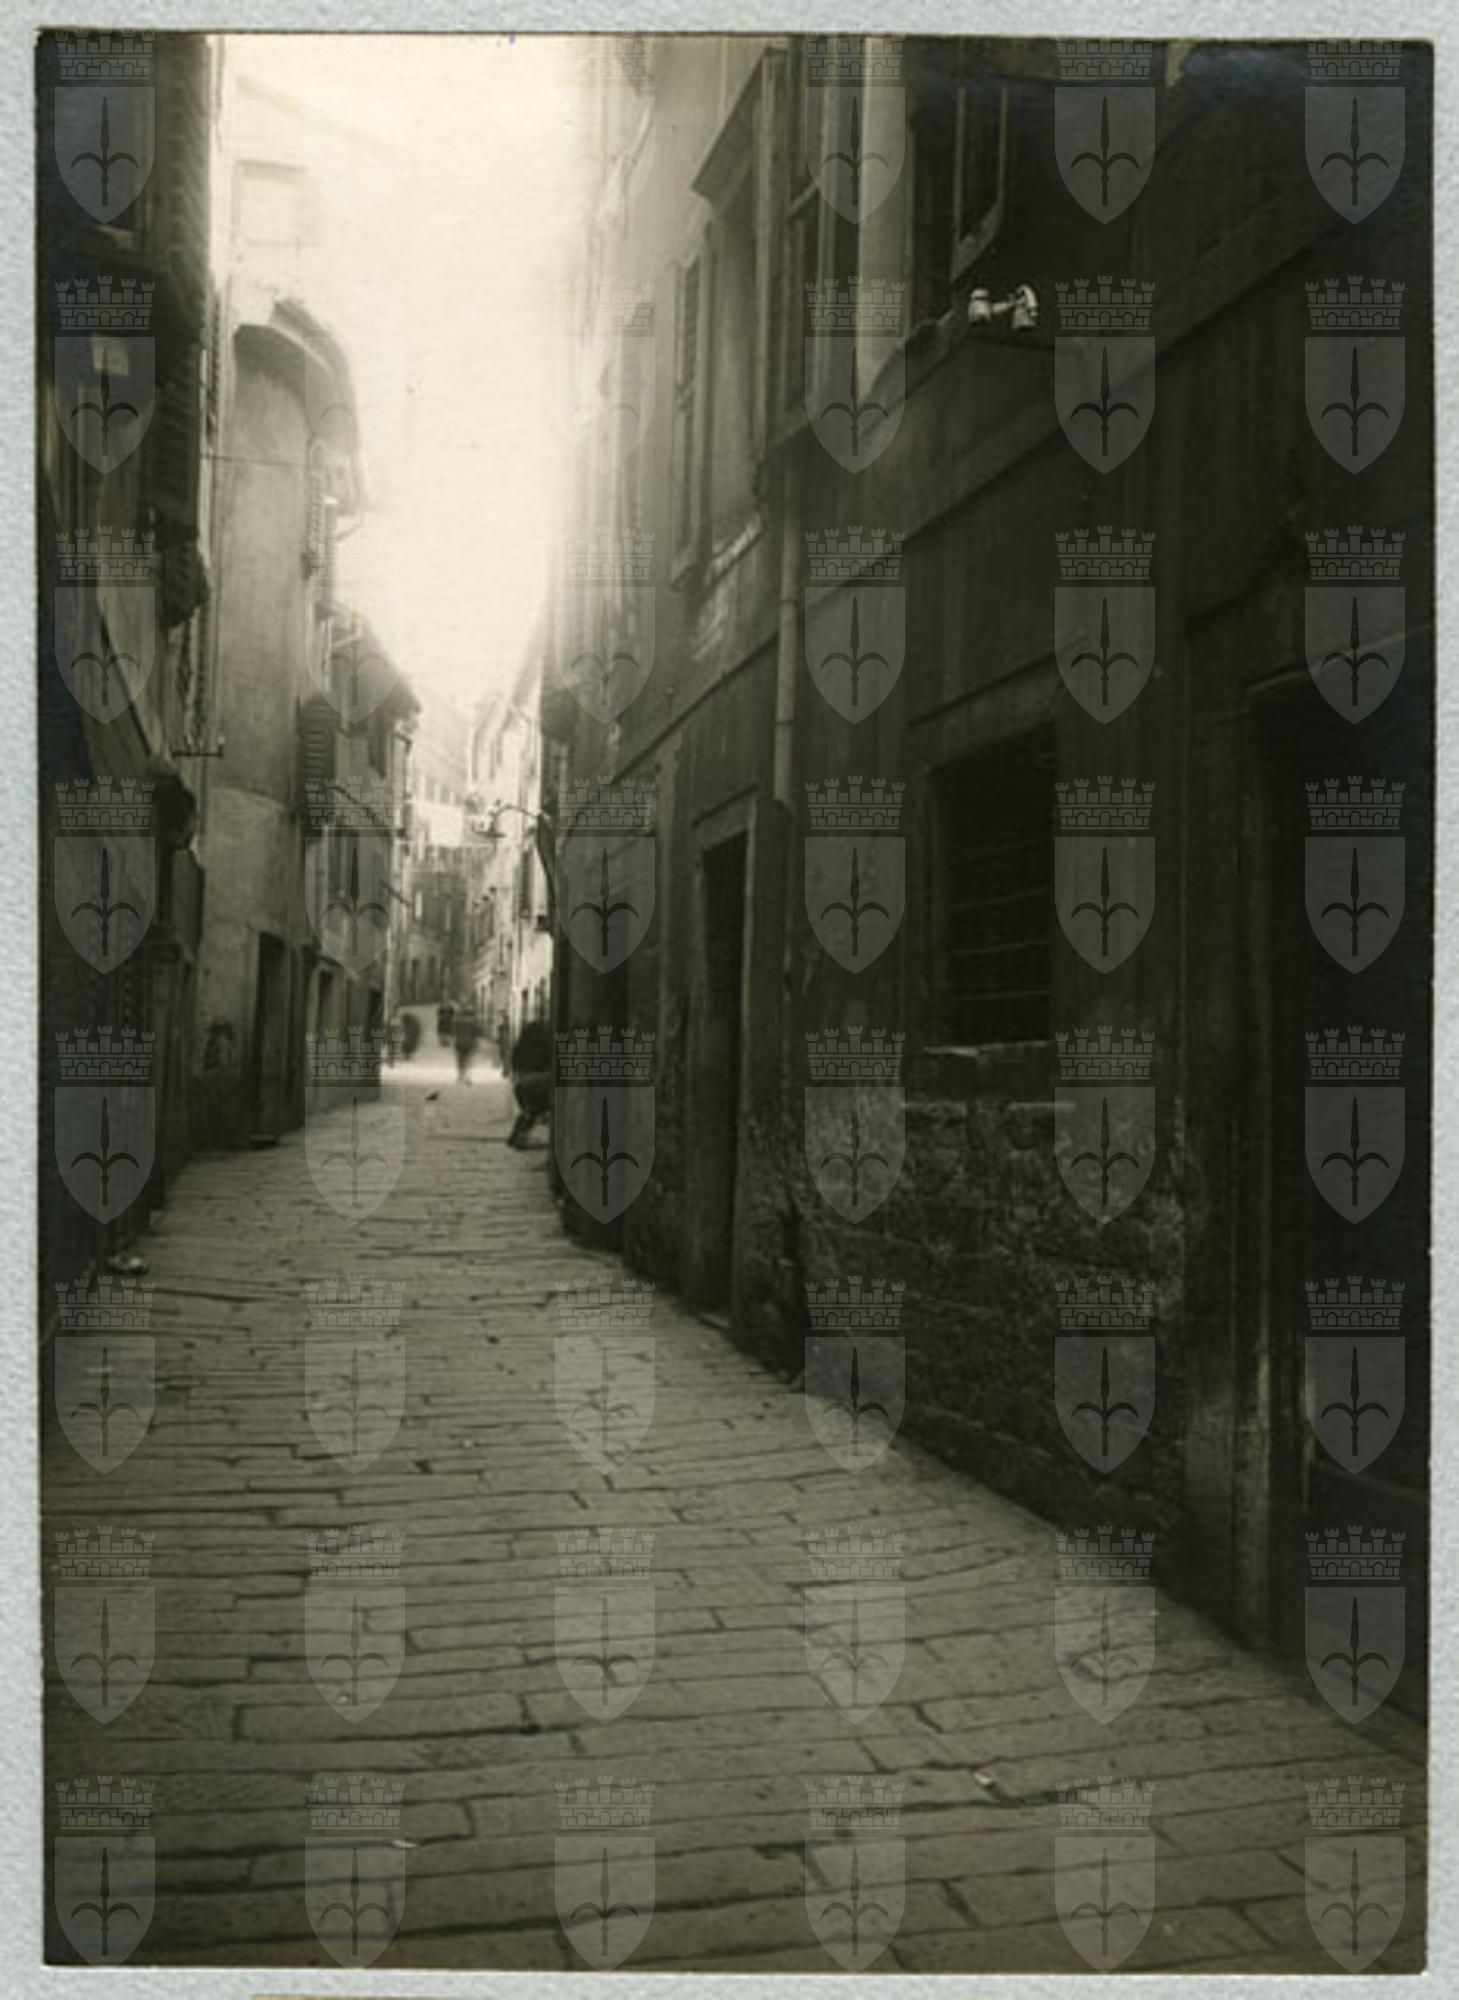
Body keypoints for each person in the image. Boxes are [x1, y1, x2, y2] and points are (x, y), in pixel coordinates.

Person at [507, 1018, 551, 1149]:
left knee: (529, 1111)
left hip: (525, 1081)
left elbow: (515, 1058)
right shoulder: (545, 1039)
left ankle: (517, 1136)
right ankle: (520, 1137)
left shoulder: (524, 1041)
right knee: (533, 1110)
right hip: (536, 1081)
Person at [453, 1007, 479, 1083]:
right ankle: (467, 1077)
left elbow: (454, 1033)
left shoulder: (457, 1022)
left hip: (460, 1043)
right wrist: (476, 1043)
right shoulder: (473, 1023)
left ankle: (461, 1077)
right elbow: (476, 1034)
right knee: (468, 1061)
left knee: (461, 1061)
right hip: (469, 1043)